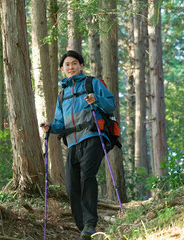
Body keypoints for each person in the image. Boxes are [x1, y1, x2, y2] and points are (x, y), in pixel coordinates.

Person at [41, 50, 116, 240]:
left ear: (81, 66)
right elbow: (60, 123)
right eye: (67, 64)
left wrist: (95, 100)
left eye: (74, 63)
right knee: (71, 186)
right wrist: (50, 126)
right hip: (73, 143)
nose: (71, 67)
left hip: (93, 136)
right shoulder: (62, 95)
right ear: (62, 69)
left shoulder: (92, 83)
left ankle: (90, 223)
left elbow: (110, 104)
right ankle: (83, 228)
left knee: (87, 176)